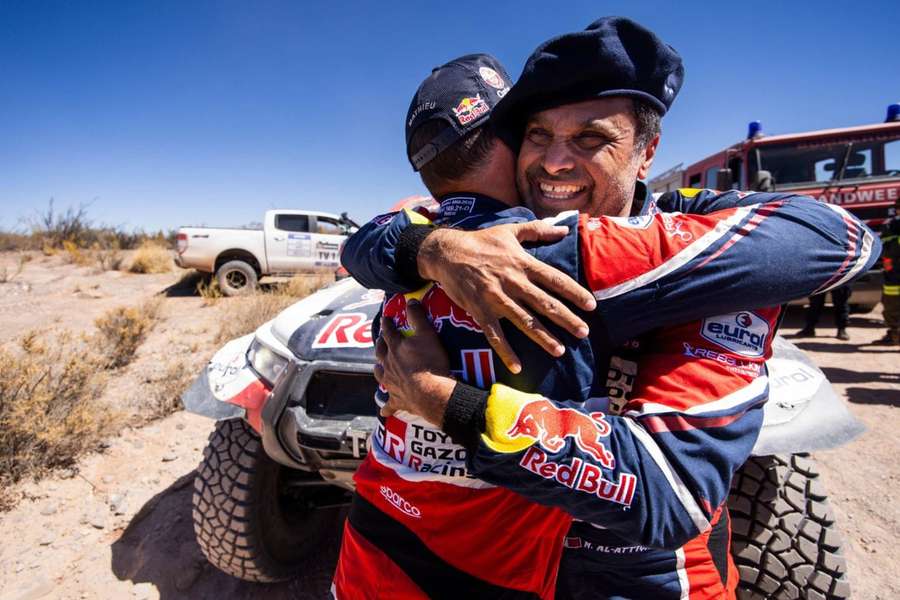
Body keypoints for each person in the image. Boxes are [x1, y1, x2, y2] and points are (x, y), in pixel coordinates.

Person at [336, 19, 879, 600]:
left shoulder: (705, 249)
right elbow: (372, 239)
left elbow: (670, 491)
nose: (554, 163)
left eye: (591, 140)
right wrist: (436, 248)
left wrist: (443, 399)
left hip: (642, 575)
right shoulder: (459, 234)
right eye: (537, 135)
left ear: (647, 153)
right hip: (491, 560)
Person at [874, 199, 900, 345]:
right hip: (893, 273)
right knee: (891, 305)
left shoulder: (891, 225)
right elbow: (884, 245)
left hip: (894, 271)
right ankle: (894, 334)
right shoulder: (892, 225)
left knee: (892, 306)